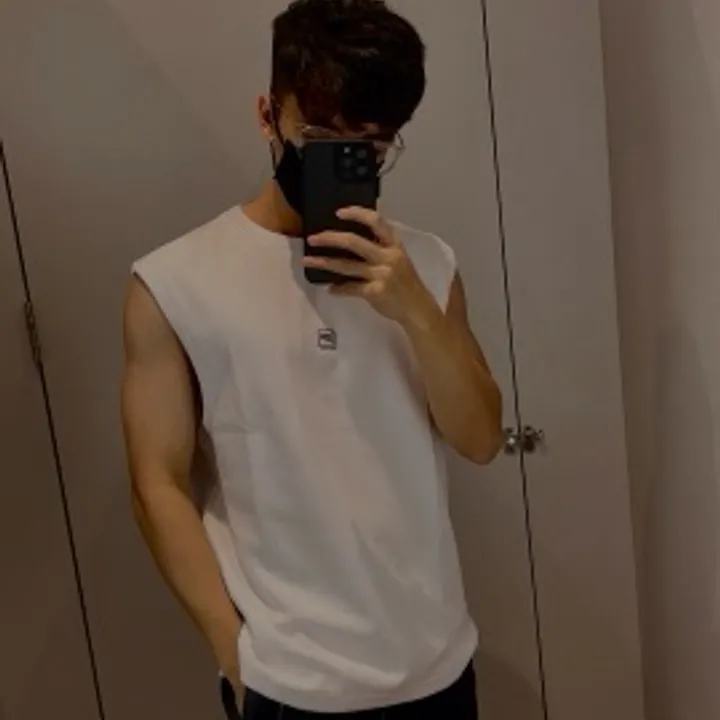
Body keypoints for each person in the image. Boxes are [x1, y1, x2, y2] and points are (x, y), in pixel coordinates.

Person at [121, 1, 503, 717]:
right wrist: (231, 648)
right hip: (286, 682)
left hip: (436, 664)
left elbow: (481, 439)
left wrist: (416, 313)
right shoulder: (175, 282)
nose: (347, 159)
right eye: (322, 136)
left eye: (372, 145)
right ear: (267, 114)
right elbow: (157, 482)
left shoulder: (427, 265)